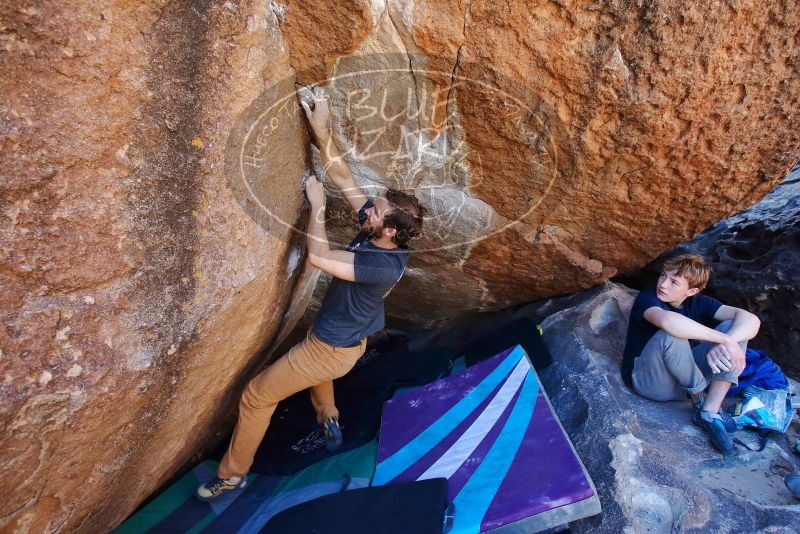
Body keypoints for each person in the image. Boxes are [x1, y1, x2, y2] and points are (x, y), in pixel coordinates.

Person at [196, 88, 425, 501]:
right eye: (371, 207)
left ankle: (232, 475)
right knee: (319, 376)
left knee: (257, 395)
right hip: (341, 343)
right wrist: (322, 128)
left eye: (373, 211)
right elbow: (343, 176)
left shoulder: (380, 264)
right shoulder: (384, 235)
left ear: (389, 229)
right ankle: (328, 417)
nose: (366, 211)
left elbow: (319, 256)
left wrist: (317, 207)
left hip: (330, 348)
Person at [621, 254, 761, 454]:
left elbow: (750, 318)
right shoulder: (648, 297)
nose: (663, 284)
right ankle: (699, 396)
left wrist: (729, 340)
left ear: (692, 290)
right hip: (650, 382)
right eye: (663, 276)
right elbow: (668, 321)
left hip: (682, 380)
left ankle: (710, 410)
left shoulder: (700, 302)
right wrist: (722, 340)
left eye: (674, 282)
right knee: (670, 335)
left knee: (734, 329)